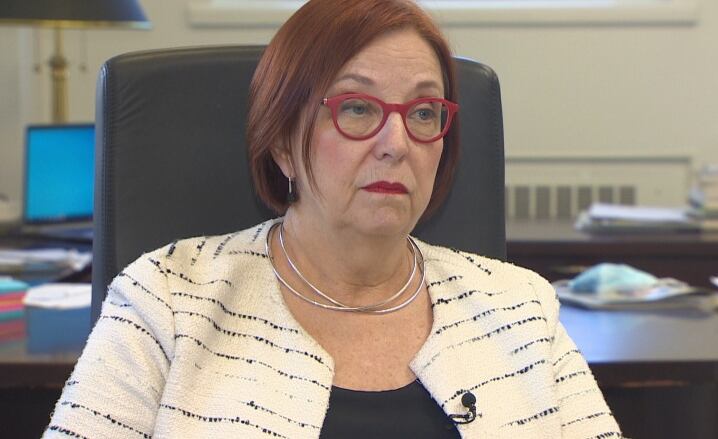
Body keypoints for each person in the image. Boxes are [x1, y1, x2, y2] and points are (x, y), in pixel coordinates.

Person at [44, 0, 622, 437]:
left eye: (423, 111)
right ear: (281, 142)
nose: (396, 142)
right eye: (356, 108)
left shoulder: (519, 306)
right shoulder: (165, 298)